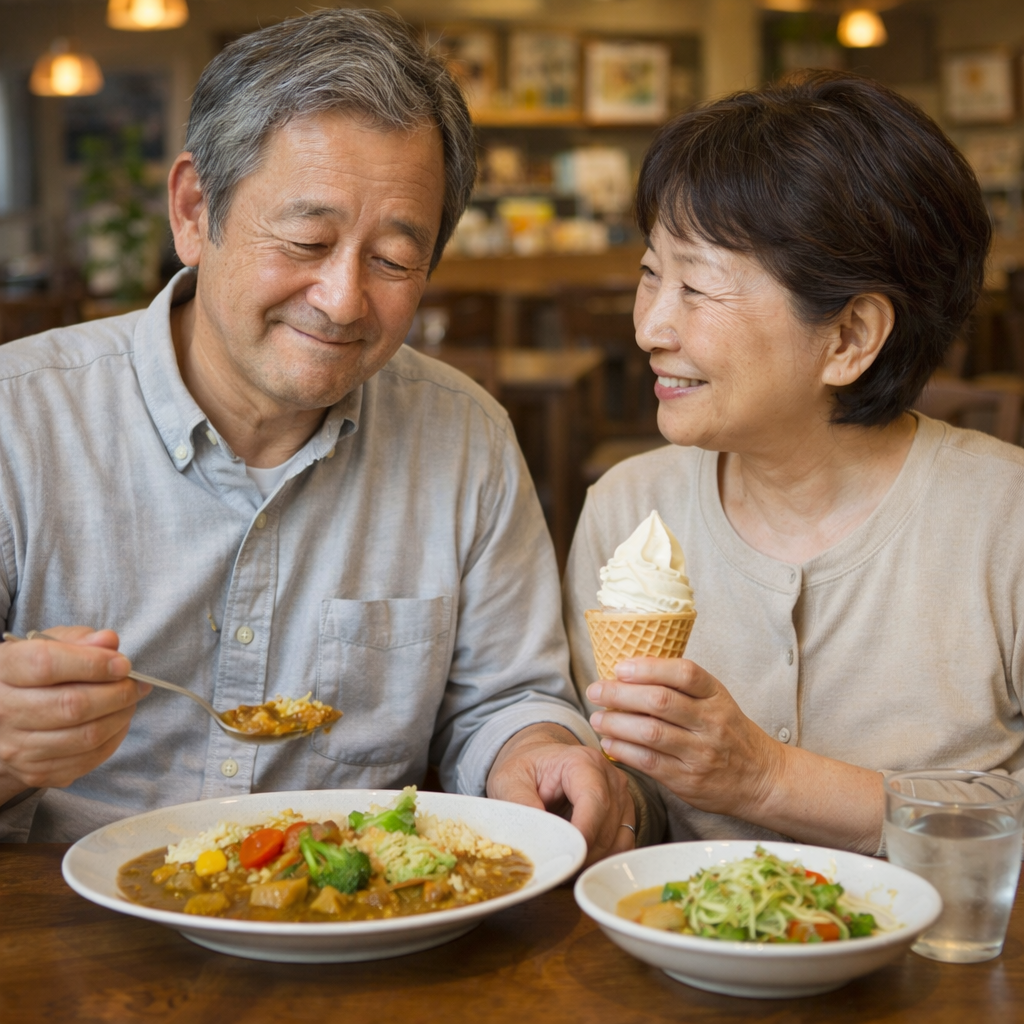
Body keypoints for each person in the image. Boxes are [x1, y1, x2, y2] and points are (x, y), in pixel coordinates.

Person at [0, 9, 643, 857]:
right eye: (307, 240)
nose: (342, 301)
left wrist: (538, 753)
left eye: (393, 261)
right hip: (58, 915)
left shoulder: (468, 440)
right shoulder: (19, 423)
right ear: (194, 211)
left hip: (361, 911)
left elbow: (505, 700)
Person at [563, 70, 1016, 854]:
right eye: (650, 274)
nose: (650, 328)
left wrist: (767, 780)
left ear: (849, 337)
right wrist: (608, 805)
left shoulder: (1006, 523)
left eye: (697, 286)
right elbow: (629, 789)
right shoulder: (628, 513)